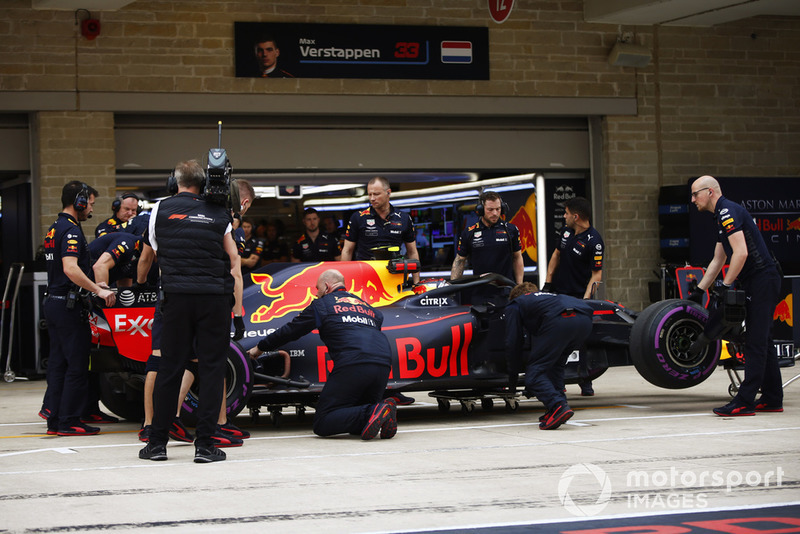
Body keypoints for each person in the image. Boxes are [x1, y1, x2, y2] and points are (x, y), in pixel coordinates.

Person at [138, 160, 242, 463]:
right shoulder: (220, 212)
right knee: (211, 370)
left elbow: (149, 256)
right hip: (213, 300)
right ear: (205, 182)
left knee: (169, 369)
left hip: (176, 299)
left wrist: (142, 281)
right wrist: (237, 312)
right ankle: (205, 446)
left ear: (175, 181)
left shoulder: (159, 209)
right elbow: (233, 258)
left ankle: (156, 444)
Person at [247, 269, 397, 440]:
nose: (316, 294)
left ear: (326, 286)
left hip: (354, 363)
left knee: (323, 422)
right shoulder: (368, 308)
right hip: (383, 364)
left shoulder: (323, 304)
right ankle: (378, 411)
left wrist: (259, 348)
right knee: (358, 423)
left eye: (317, 289)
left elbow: (290, 331)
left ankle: (374, 411)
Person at [687, 175, 783, 416]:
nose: (692, 199)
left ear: (709, 192)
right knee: (762, 340)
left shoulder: (727, 212)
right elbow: (719, 259)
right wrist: (700, 289)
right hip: (757, 280)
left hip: (762, 278)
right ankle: (772, 398)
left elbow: (740, 253)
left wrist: (726, 285)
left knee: (755, 342)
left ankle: (745, 401)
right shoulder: (721, 214)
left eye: (695, 194)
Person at [42, 181, 116, 436]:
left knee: (59, 364)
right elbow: (70, 268)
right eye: (90, 204)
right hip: (67, 305)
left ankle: (56, 420)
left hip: (54, 301)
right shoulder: (71, 230)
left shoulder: (54, 228)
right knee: (77, 364)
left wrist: (94, 284)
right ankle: (70, 421)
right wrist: (99, 290)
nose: (91, 209)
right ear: (79, 201)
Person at [504, 282, 594, 430]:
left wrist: (512, 378)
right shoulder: (549, 298)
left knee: (534, 374)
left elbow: (513, 341)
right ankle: (558, 406)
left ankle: (557, 406)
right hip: (584, 321)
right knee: (556, 365)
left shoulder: (516, 303)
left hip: (560, 321)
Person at [542, 196, 604, 396]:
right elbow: (556, 254)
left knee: (580, 340)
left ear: (576, 216)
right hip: (558, 293)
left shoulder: (594, 241)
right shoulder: (566, 231)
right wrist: (547, 283)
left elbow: (596, 274)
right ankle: (558, 382)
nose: (564, 216)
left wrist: (586, 301)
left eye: (566, 213)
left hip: (578, 296)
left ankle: (585, 381)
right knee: (555, 338)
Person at [341, 176, 420, 284]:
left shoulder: (403, 218)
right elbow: (347, 250)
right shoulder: (358, 217)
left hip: (395, 276)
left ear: (388, 193)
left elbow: (412, 252)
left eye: (376, 194)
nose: (372, 198)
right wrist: (343, 282)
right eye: (369, 194)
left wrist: (417, 283)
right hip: (365, 276)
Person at [451, 191, 524, 286]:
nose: (495, 213)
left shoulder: (511, 230)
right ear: (481, 210)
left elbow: (517, 257)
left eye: (498, 209)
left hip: (506, 289)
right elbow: (460, 260)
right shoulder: (469, 233)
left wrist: (519, 285)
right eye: (490, 209)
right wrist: (452, 287)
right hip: (480, 290)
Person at [240, 218, 264, 285]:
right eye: (244, 227)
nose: (246, 229)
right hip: (238, 276)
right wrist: (246, 261)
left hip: (253, 277)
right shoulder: (235, 241)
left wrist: (238, 260)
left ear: (252, 228)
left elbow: (252, 262)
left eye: (248, 227)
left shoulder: (258, 242)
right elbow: (231, 261)